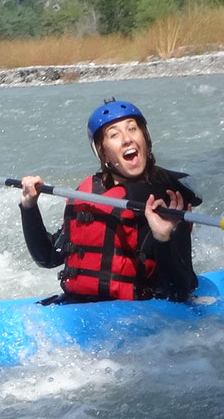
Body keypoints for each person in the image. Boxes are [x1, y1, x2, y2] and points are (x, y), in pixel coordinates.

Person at [18, 99, 201, 302]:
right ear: (103, 151)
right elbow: (48, 257)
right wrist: (29, 207)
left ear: (145, 139)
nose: (127, 139)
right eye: (114, 134)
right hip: (77, 305)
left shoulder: (165, 200)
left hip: (135, 315)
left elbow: (179, 292)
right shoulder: (88, 193)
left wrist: (163, 237)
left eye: (132, 129)